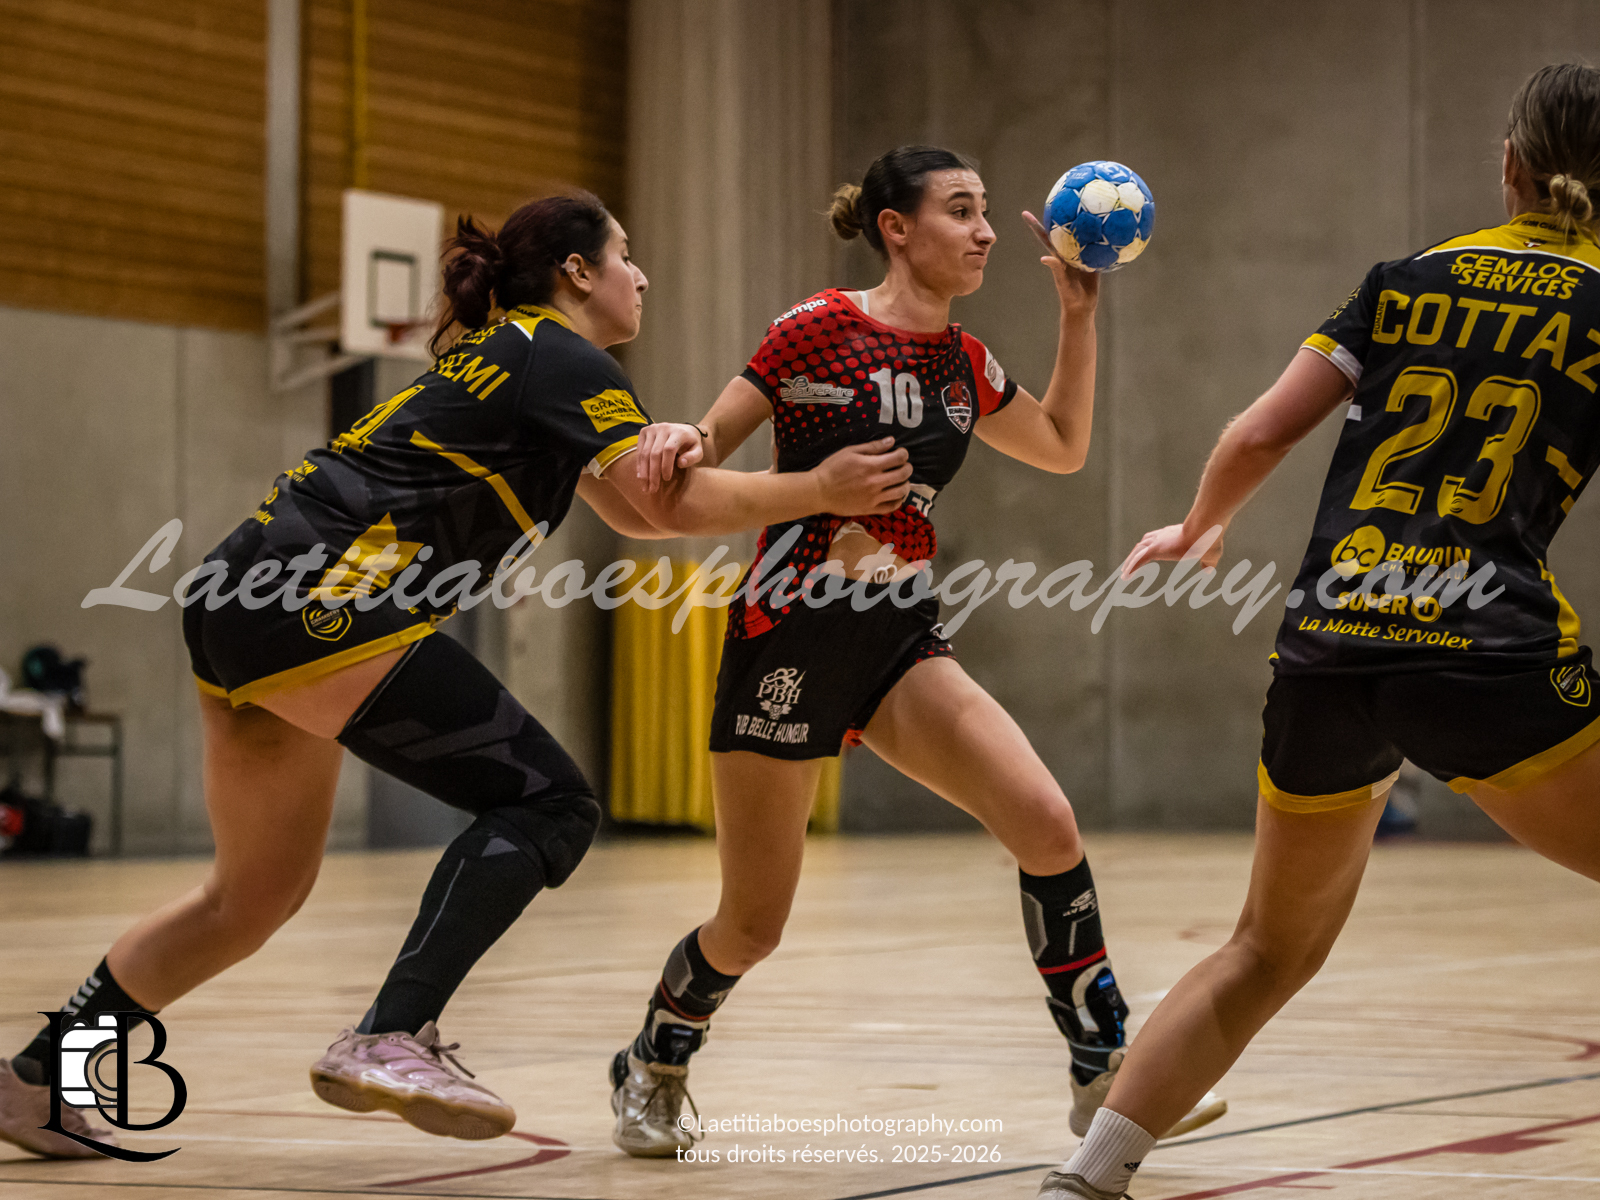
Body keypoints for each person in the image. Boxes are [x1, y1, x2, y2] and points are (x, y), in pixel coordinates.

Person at [0, 190, 915, 1160]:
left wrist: (743, 474)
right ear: (576, 272)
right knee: (549, 803)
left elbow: (642, 512)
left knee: (248, 900)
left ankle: (38, 1079)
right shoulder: (559, 353)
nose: (642, 276)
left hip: (242, 593)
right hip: (316, 596)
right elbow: (673, 506)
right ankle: (391, 1034)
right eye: (625, 255)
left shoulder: (513, 358)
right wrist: (818, 489)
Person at [1041, 63, 1600, 1200]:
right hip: (1487, 652)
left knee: (1263, 950)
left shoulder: (1403, 281)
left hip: (1329, 644)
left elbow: (1257, 434)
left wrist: (1200, 526)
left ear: (1506, 166)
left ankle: (1088, 1177)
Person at [606, 146, 1226, 1158]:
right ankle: (656, 1056)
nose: (984, 232)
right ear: (895, 228)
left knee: (1046, 824)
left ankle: (1100, 1070)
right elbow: (709, 445)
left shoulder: (965, 363)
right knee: (753, 924)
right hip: (786, 635)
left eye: (986, 212)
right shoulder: (814, 328)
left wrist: (1078, 316)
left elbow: (1063, 445)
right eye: (961, 211)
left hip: (898, 635)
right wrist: (679, 433)